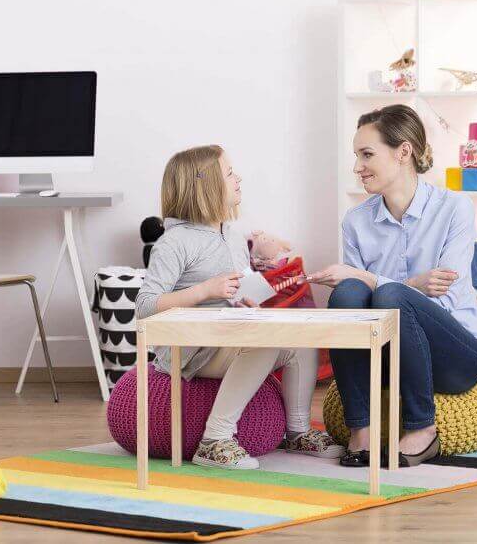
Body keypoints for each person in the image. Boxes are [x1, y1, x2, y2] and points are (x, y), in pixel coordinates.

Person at [136, 144, 344, 469]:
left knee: (299, 340)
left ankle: (298, 431)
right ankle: (214, 440)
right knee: (263, 342)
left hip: (224, 334)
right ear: (204, 185)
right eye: (229, 173)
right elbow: (145, 306)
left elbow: (231, 291)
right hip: (189, 347)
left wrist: (245, 294)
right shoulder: (173, 243)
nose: (238, 178)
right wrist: (204, 291)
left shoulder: (231, 236)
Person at [306, 105, 477, 468]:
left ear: (403, 152)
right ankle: (362, 428)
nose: (358, 166)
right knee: (346, 294)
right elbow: (356, 302)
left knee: (387, 294)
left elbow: (446, 290)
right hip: (391, 354)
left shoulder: (455, 208)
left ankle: (423, 427)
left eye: (367, 154)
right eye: (357, 156)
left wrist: (383, 284)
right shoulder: (356, 221)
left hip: (456, 355)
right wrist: (410, 285)